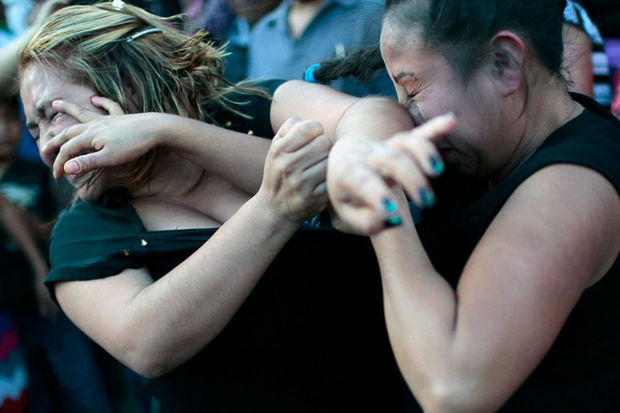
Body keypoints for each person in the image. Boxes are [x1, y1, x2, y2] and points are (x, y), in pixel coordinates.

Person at [19, 2, 405, 412]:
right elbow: (146, 344)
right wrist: (272, 209)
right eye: (35, 129)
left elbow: (377, 116)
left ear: (124, 84)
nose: (45, 147)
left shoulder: (246, 108)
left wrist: (170, 130)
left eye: (52, 115)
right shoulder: (85, 232)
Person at [321, 0, 619, 412]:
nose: (407, 114)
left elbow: (453, 389)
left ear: (504, 64)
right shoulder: (483, 145)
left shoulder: (577, 185)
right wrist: (358, 140)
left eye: (413, 90)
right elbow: (285, 100)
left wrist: (384, 208)